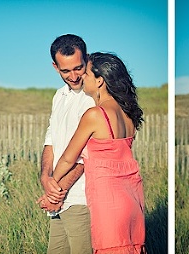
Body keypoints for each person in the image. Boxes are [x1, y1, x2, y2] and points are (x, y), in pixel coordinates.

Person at [49, 52, 146, 253]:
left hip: (107, 203)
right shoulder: (128, 114)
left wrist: (51, 185)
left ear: (100, 81)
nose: (82, 76)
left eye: (87, 74)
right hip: (132, 199)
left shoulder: (95, 114)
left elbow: (69, 158)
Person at [36, 34, 95, 254]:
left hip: (81, 197)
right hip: (58, 193)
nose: (73, 76)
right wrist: (45, 178)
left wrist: (57, 190)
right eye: (65, 71)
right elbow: (50, 140)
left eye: (78, 68)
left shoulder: (93, 97)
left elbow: (89, 154)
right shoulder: (58, 96)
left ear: (87, 60)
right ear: (55, 67)